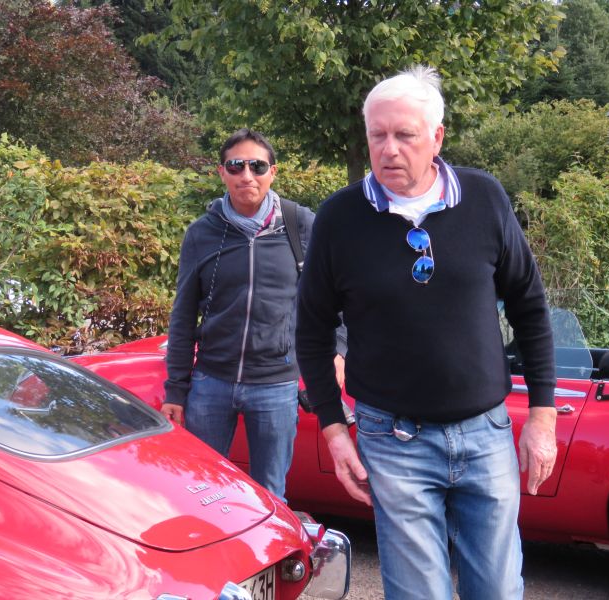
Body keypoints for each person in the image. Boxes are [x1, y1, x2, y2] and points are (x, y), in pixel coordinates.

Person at [295, 66, 557, 599]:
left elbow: (529, 306)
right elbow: (311, 330)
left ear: (436, 137)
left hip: (486, 434)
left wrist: (543, 416)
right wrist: (334, 430)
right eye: (377, 135)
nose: (388, 149)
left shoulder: (484, 198)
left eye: (404, 135)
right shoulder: (339, 219)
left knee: (498, 590)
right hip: (393, 442)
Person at [162, 128, 345, 500]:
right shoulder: (202, 233)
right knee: (202, 491)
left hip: (276, 384)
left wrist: (339, 350)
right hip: (211, 382)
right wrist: (175, 390)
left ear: (272, 172)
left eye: (257, 166)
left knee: (271, 494)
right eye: (236, 166)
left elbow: (335, 297)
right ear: (222, 172)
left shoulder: (300, 225)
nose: (247, 175)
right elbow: (183, 315)